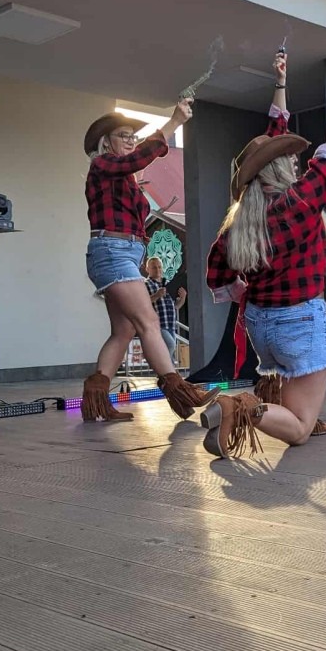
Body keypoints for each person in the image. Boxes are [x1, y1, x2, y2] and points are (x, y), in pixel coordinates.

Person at [198, 50, 326, 457]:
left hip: (261, 328)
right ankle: (240, 406)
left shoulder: (239, 223)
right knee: (300, 430)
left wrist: (281, 82)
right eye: (290, 159)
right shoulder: (300, 202)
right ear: (279, 169)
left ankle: (271, 406)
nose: (297, 161)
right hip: (297, 323)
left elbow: (217, 275)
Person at [80, 102, 217, 422]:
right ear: (106, 142)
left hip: (122, 253)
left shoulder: (122, 177)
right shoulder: (102, 164)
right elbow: (137, 158)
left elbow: (134, 167)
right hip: (112, 251)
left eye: (133, 136)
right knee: (149, 322)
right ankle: (180, 391)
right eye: (124, 135)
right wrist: (173, 122)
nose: (131, 140)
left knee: (124, 330)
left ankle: (96, 402)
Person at [144, 257, 186, 367]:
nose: (157, 270)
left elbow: (175, 306)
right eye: (154, 267)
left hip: (171, 325)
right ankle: (166, 370)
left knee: (169, 350)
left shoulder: (167, 284)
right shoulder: (145, 284)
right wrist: (156, 295)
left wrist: (183, 298)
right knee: (170, 346)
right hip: (157, 325)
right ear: (147, 269)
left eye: (159, 267)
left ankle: (167, 373)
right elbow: (142, 303)